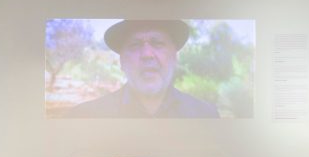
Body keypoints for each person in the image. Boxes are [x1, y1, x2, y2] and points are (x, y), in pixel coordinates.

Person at [67, 20, 219, 118]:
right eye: (135, 45)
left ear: (175, 57)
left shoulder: (205, 115)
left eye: (158, 43)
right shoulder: (85, 116)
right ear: (121, 61)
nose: (147, 55)